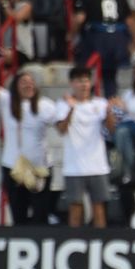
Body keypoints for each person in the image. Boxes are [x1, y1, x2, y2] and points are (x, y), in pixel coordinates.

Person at [0, 60, 57, 225]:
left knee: (41, 215)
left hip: (39, 167)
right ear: (15, 86)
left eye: (31, 82)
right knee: (19, 215)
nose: (28, 85)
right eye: (24, 82)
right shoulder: (7, 99)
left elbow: (61, 126)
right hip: (13, 167)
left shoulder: (45, 104)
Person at [55, 65, 115, 228]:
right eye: (79, 81)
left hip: (98, 166)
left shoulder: (100, 103)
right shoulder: (63, 104)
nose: (84, 85)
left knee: (99, 208)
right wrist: (71, 109)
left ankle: (100, 245)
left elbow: (110, 130)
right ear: (72, 83)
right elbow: (61, 129)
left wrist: (109, 112)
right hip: (74, 166)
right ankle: (75, 245)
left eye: (87, 81)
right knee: (75, 209)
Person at [74, 0, 135, 98]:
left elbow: (80, 18)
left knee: (83, 70)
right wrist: (134, 44)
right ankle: (110, 105)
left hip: (97, 38)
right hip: (118, 39)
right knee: (109, 76)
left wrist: (71, 36)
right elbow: (130, 20)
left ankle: (85, 100)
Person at [0, 0, 36, 66]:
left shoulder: (26, 5)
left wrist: (3, 1)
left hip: (21, 51)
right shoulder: (1, 7)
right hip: (5, 48)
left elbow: (15, 19)